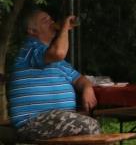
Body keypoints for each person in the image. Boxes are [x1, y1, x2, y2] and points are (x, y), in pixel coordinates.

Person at [8, 9, 100, 140]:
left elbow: (79, 79)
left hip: (57, 120)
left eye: (51, 19)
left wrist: (87, 88)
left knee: (90, 124)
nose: (51, 22)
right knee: (88, 126)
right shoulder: (30, 50)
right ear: (32, 31)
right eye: (45, 21)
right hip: (32, 122)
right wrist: (65, 28)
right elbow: (59, 52)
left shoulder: (57, 61)